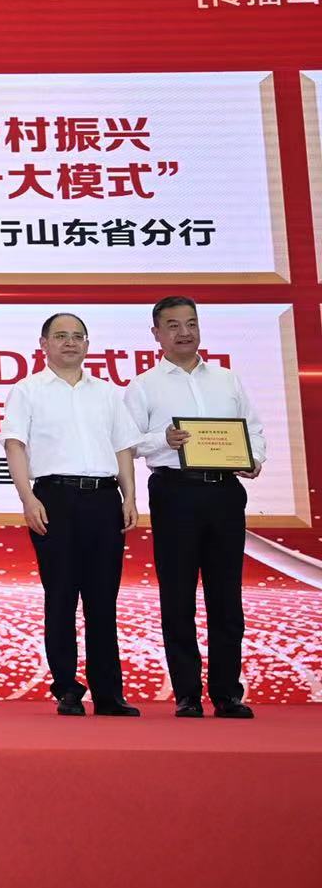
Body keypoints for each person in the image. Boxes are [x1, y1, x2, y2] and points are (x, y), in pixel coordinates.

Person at [124, 296, 265, 719]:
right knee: (178, 595)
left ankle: (227, 693)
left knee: (227, 596)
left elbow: (254, 430)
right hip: (175, 494)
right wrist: (163, 440)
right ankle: (187, 693)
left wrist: (252, 459)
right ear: (156, 334)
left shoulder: (227, 379)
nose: (184, 332)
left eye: (191, 323)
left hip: (224, 493)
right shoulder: (144, 385)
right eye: (173, 325)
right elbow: (128, 442)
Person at [1, 312, 142, 717]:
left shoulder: (107, 392)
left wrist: (130, 497)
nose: (70, 343)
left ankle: (108, 693)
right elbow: (15, 445)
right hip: (54, 499)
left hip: (103, 499)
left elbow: (122, 448)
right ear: (43, 344)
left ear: (87, 344)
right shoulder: (28, 391)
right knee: (61, 596)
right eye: (61, 336)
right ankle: (66, 687)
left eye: (78, 336)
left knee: (103, 600)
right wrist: (28, 498)